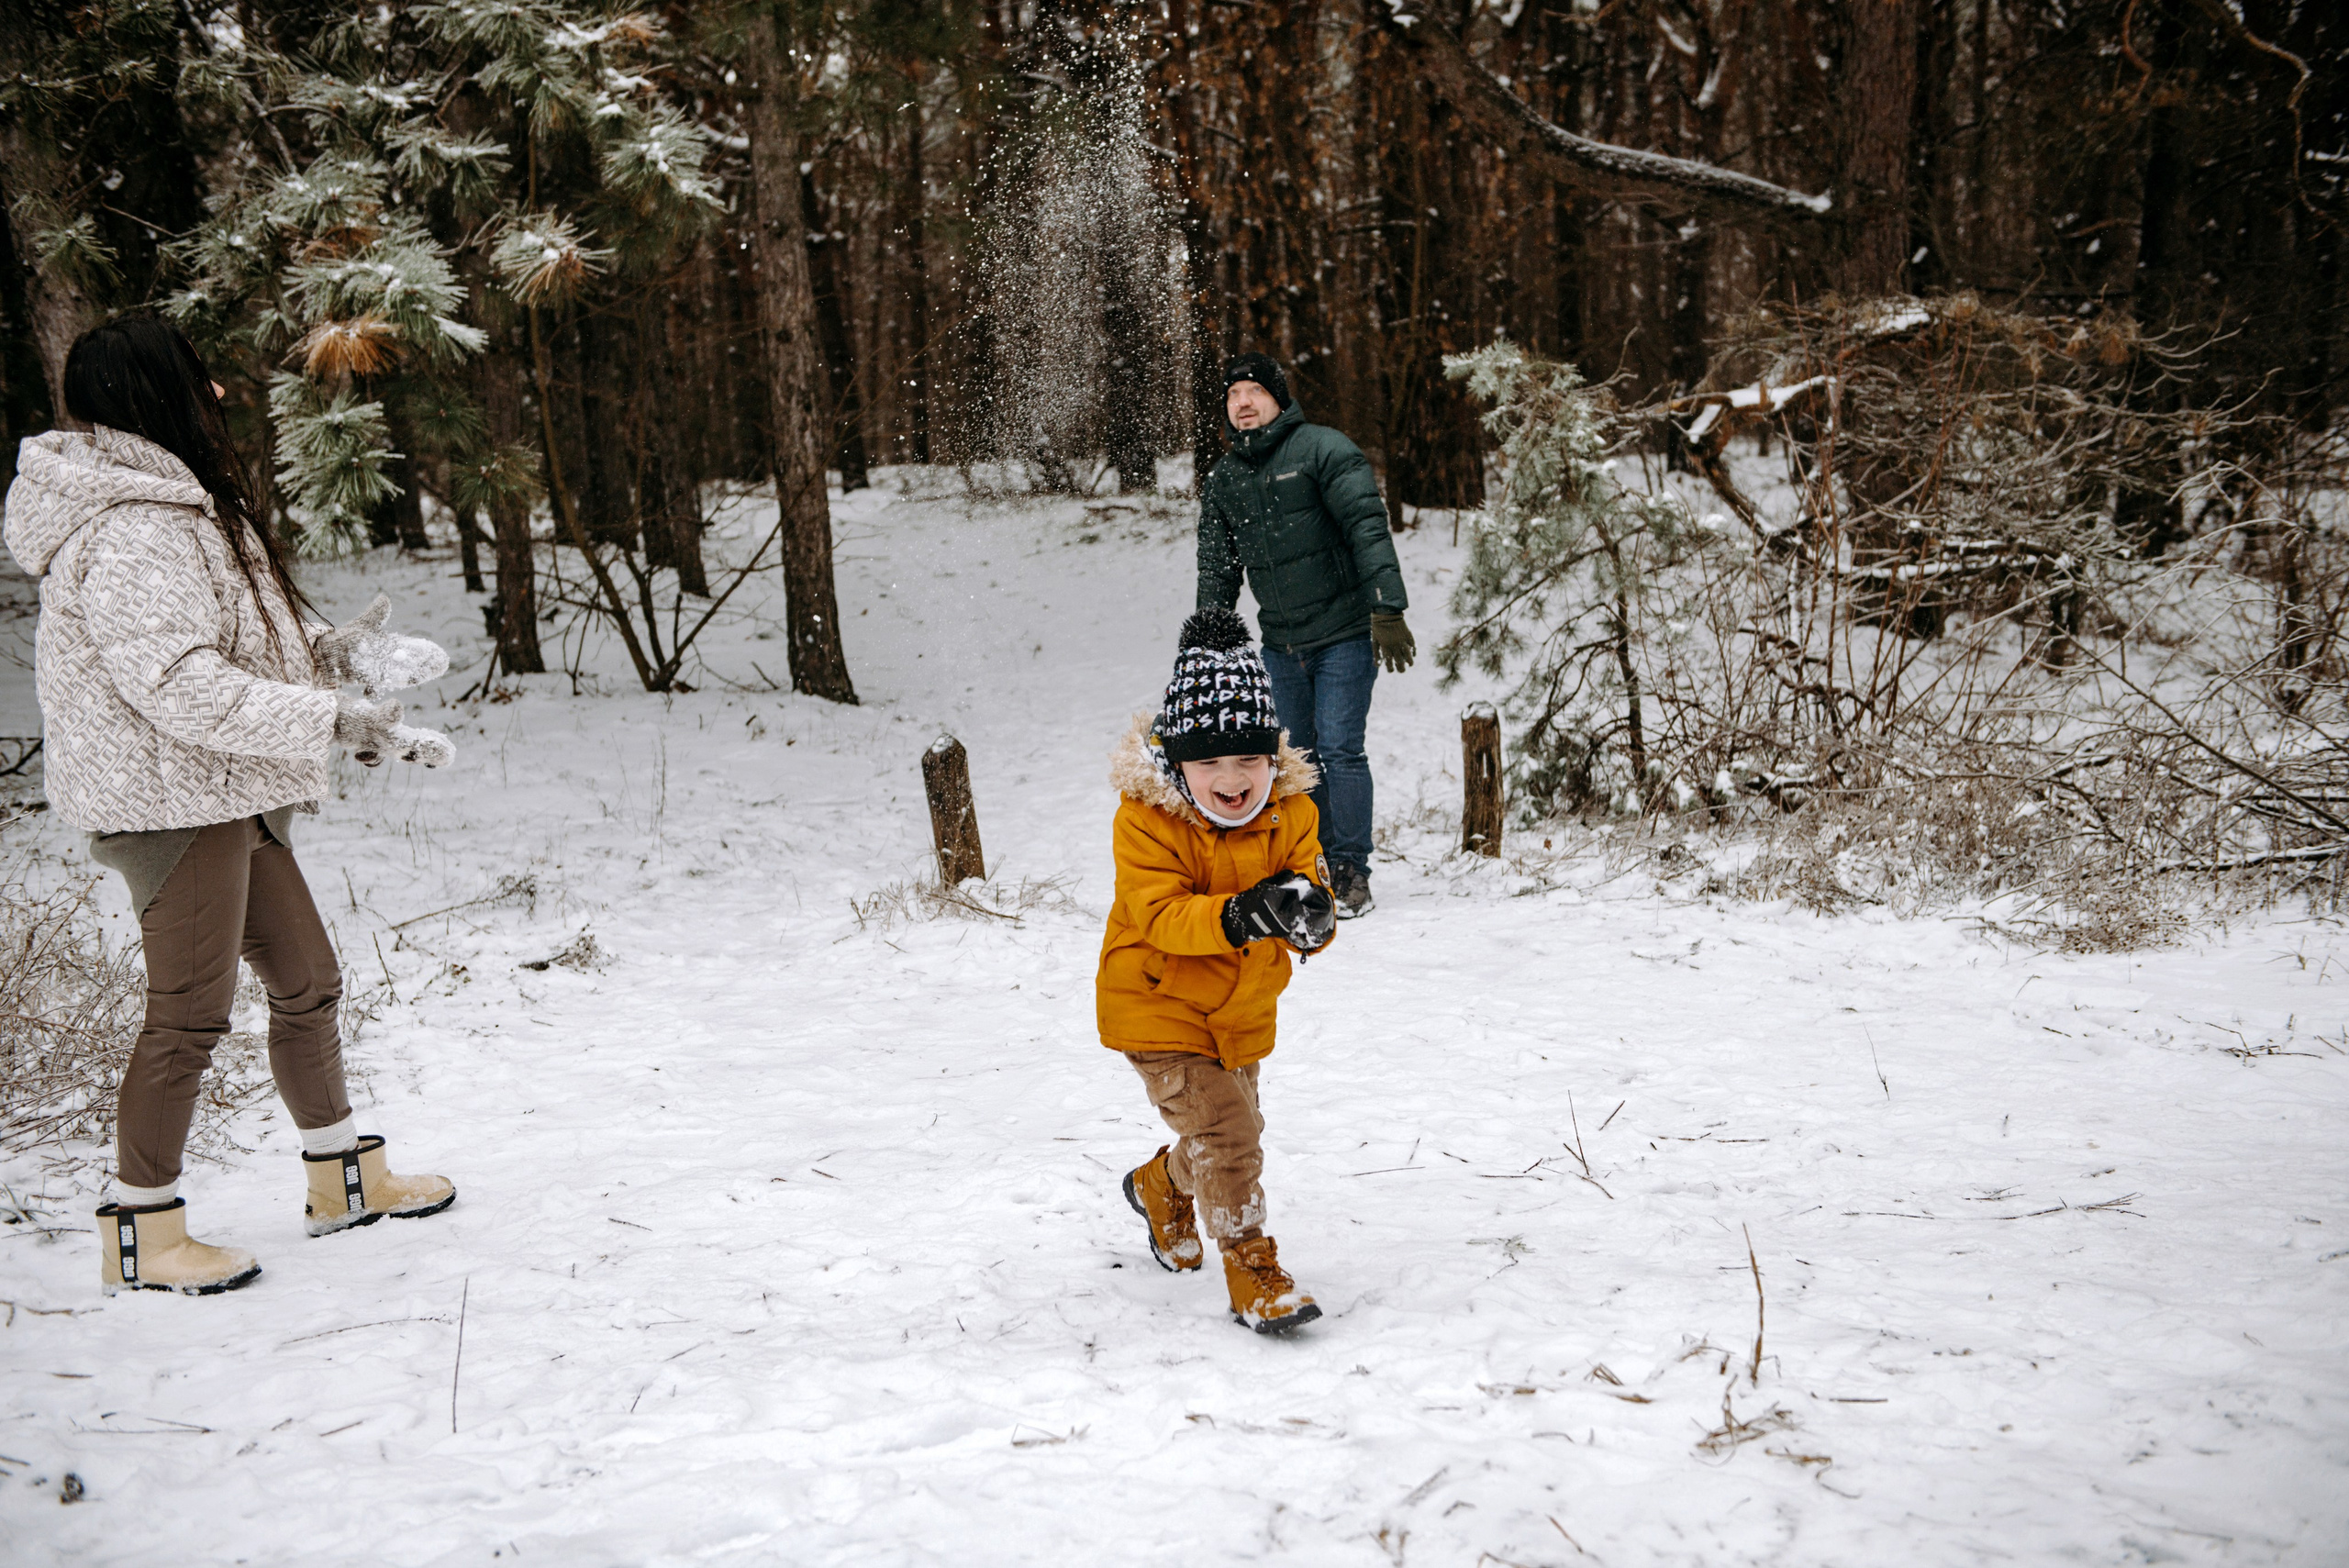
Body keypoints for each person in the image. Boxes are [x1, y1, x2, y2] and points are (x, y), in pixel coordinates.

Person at [3, 314, 458, 1297]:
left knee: (308, 979)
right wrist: (328, 715)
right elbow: (178, 684)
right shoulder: (130, 527)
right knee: (189, 1016)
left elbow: (233, 644)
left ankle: (343, 1179)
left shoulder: (181, 503)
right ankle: (144, 1229)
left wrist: (334, 654)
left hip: (226, 784)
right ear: (151, 393)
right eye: (196, 377)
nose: (215, 395)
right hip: (169, 800)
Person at [1097, 607, 1337, 1333]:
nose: (1232, 779)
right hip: (1157, 1005)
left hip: (1241, 1008)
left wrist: (1311, 920)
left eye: (1249, 760)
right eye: (1210, 763)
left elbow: (1305, 890)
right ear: (1177, 764)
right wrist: (1242, 915)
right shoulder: (1147, 821)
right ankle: (1253, 1268)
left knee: (1227, 1132)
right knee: (1230, 1132)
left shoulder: (1292, 812)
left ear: (1273, 756)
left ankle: (1159, 1187)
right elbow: (1160, 915)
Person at [1196, 351, 1415, 919]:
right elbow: (1218, 569)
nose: (1242, 404)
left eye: (1253, 392)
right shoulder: (1223, 481)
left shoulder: (1323, 450)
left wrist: (1386, 609)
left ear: (1277, 398)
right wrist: (1207, 644)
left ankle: (1350, 868)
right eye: (1232, 396)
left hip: (1342, 634)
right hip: (1280, 644)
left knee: (1340, 749)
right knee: (1295, 758)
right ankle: (1311, 862)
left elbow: (1366, 525)